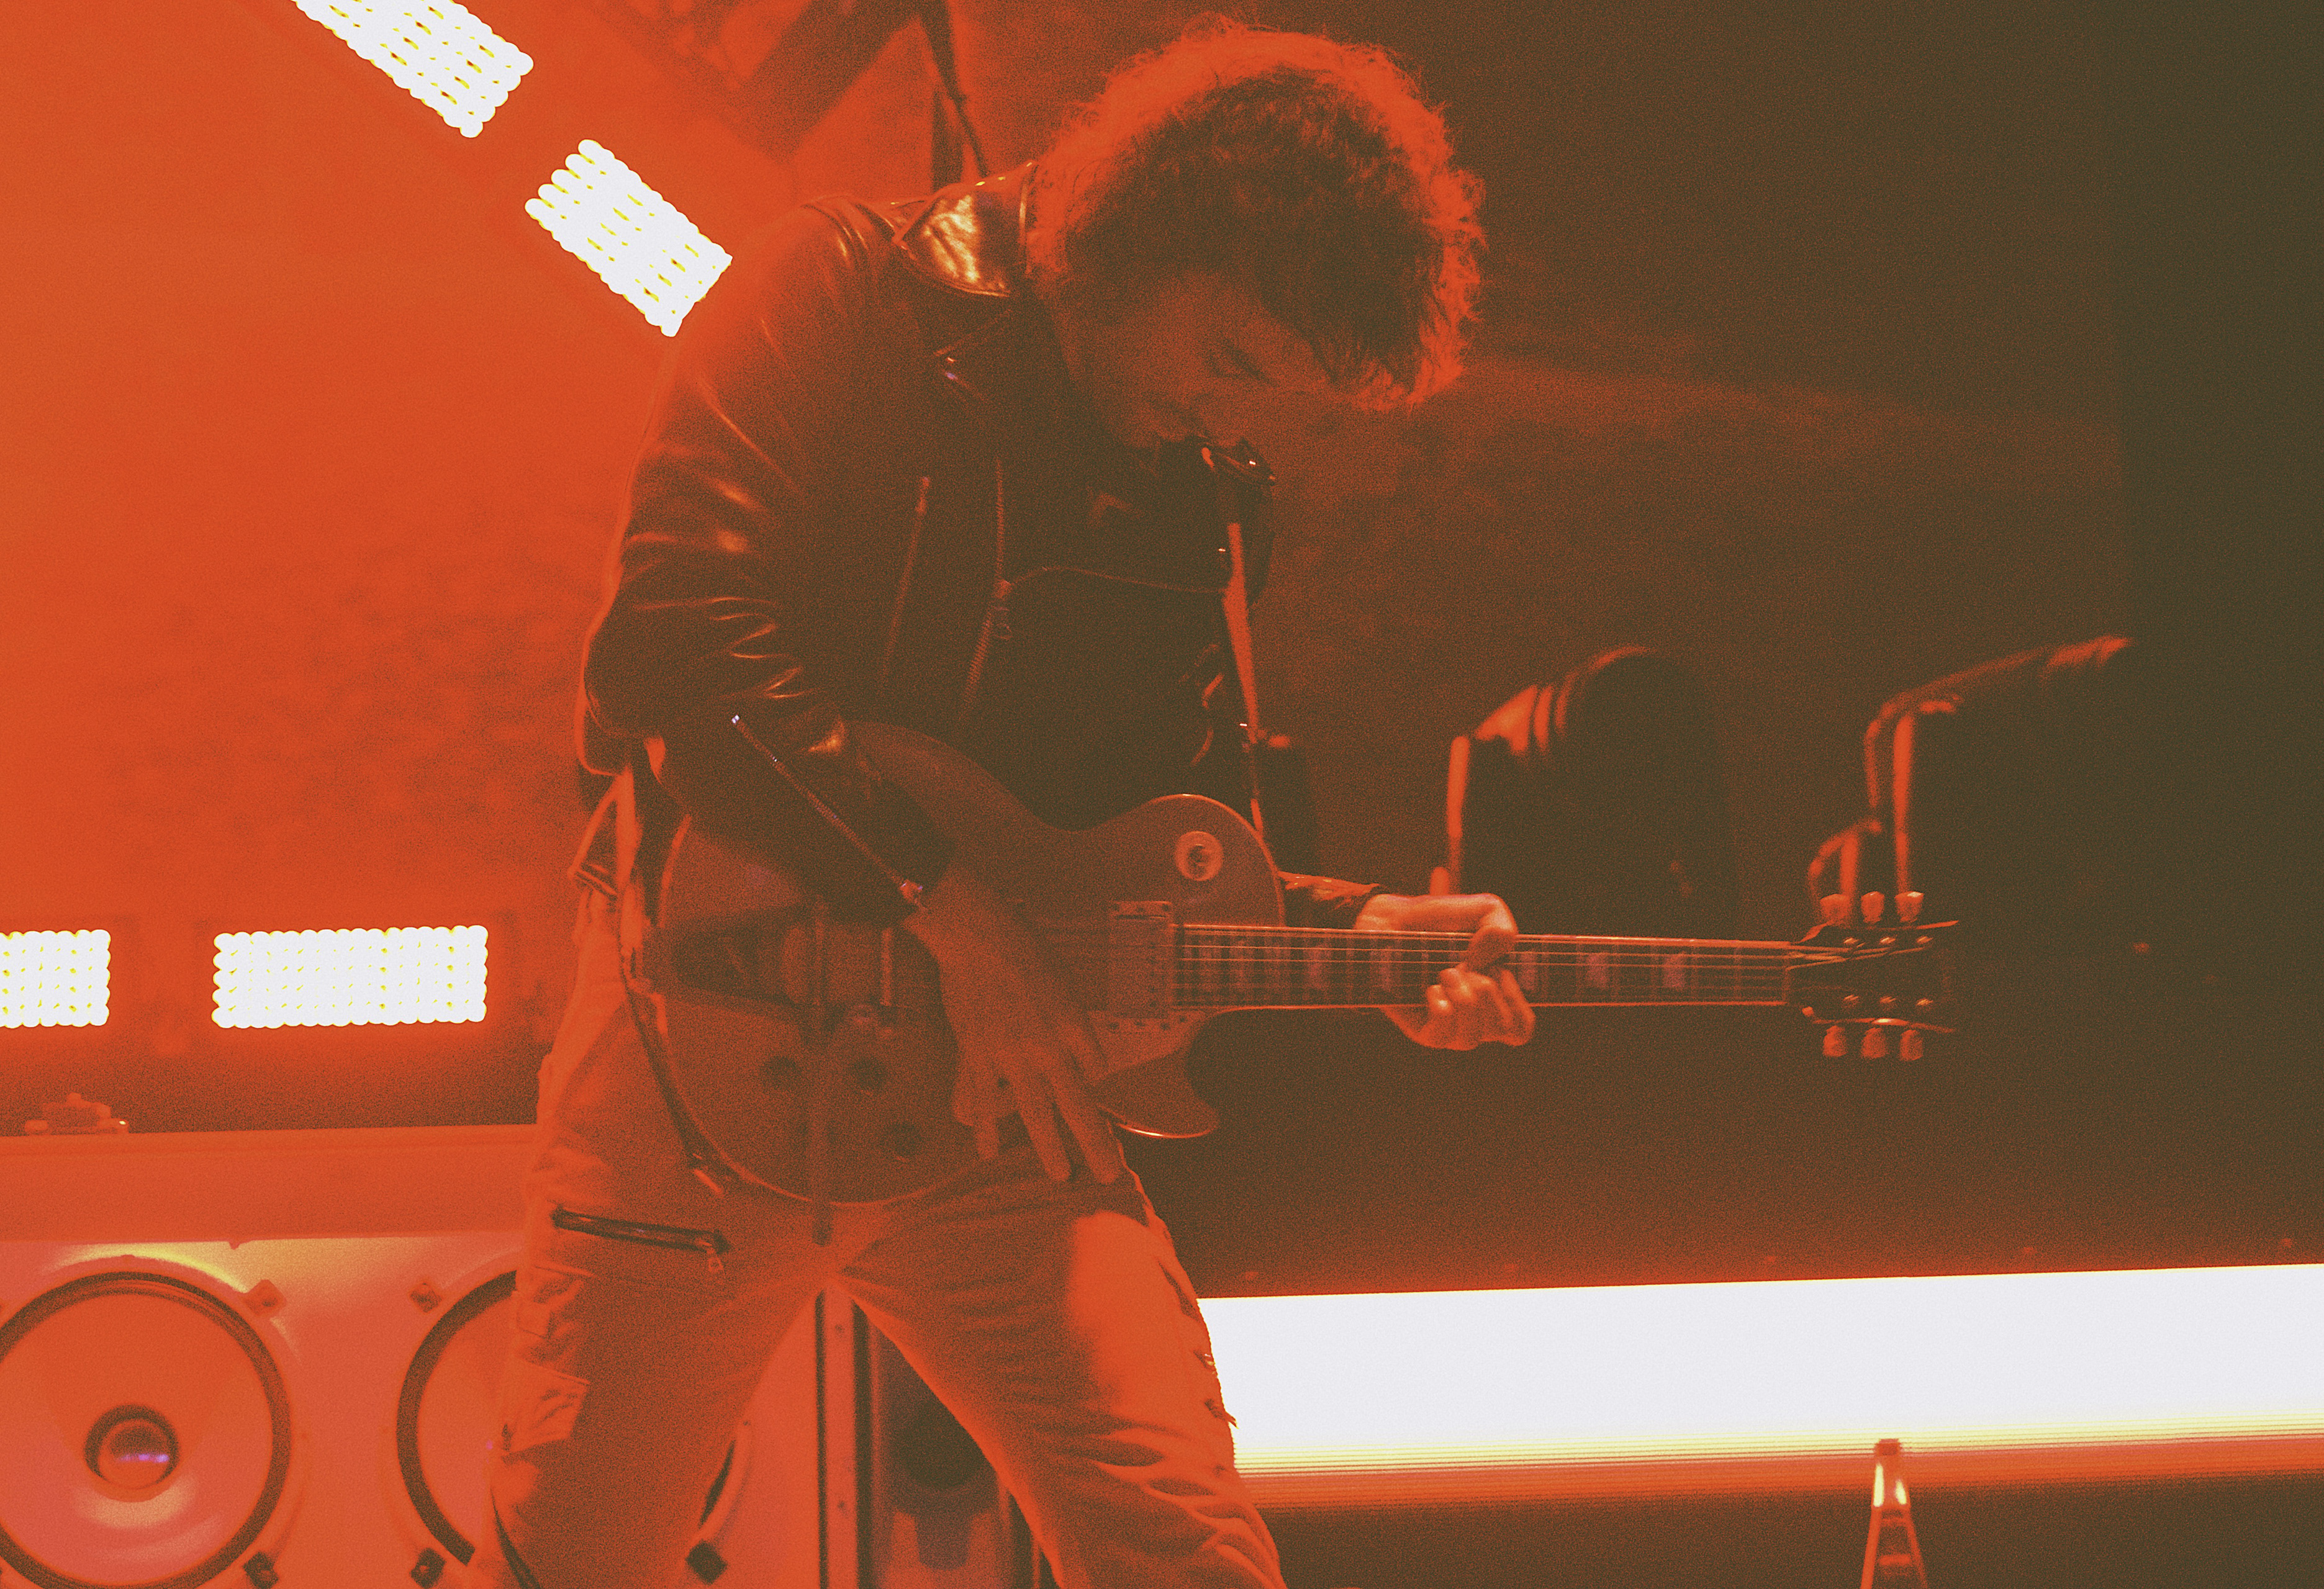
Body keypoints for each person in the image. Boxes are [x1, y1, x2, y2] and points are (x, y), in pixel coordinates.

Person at [471, 21, 1532, 1589]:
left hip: (995, 1109)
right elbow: (679, 652)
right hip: (706, 1044)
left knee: (1189, 1552)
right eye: (1230, 356)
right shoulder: (834, 293)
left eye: (1273, 396)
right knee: (577, 1562)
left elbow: (1131, 856)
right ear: (1147, 231)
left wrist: (1363, 929)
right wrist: (951, 918)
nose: (1227, 415)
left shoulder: (1195, 496)